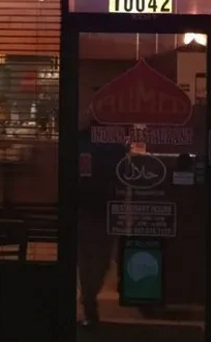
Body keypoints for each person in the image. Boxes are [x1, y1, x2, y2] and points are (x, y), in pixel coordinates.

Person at [77, 122, 128, 328]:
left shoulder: (81, 136)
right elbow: (122, 171)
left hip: (87, 203)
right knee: (99, 258)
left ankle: (89, 298)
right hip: (104, 204)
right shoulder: (114, 139)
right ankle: (89, 298)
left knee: (88, 256)